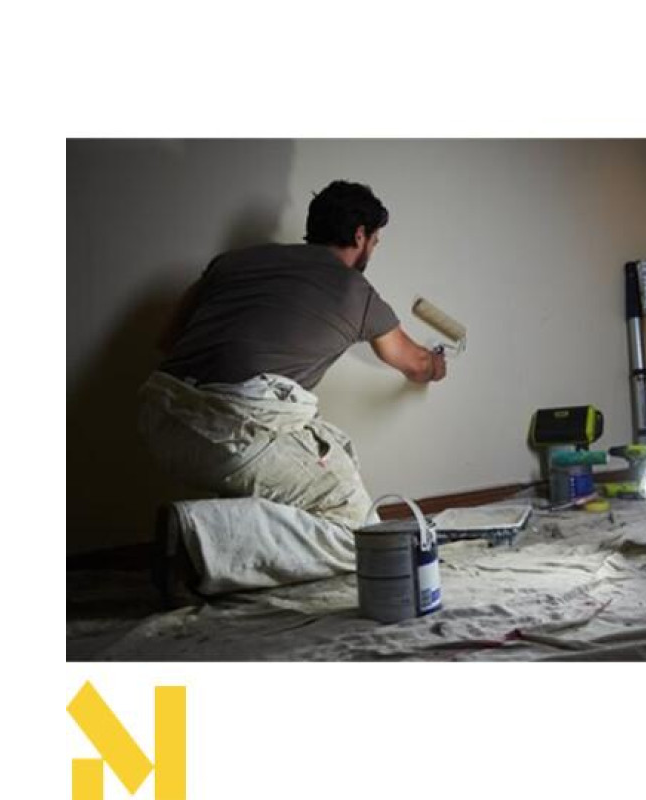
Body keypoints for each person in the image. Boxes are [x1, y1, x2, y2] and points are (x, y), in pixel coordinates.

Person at [138, 180, 447, 605]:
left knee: (317, 451)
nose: (373, 250)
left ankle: (209, 531)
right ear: (360, 235)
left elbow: (167, 340)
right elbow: (415, 364)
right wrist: (436, 363)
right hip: (234, 430)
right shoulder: (355, 291)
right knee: (360, 531)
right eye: (375, 241)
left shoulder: (231, 263)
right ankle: (196, 539)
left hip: (160, 419)